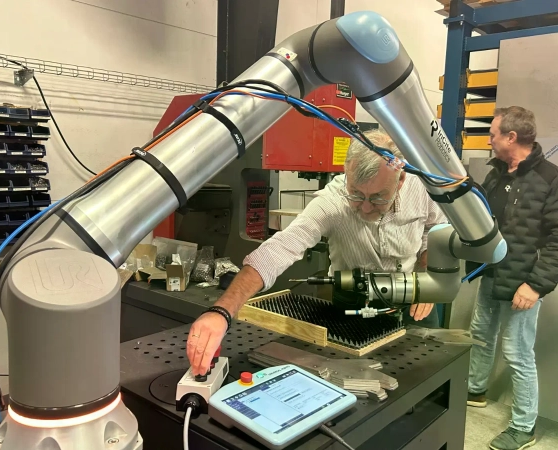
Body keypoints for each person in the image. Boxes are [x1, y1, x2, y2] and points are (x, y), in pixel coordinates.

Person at [187, 130, 447, 376]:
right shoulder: (332, 202)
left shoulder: (421, 188)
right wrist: (222, 311)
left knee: (426, 379)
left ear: (400, 180)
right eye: (357, 194)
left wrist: (428, 278)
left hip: (415, 301)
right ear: (347, 171)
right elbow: (281, 248)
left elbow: (435, 231)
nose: (366, 208)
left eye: (379, 197)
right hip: (351, 309)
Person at [466, 106, 558, 450]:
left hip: (523, 282)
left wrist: (535, 286)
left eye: (492, 134)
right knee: (480, 336)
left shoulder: (550, 178)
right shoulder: (497, 174)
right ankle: (474, 390)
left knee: (517, 353)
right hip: (491, 272)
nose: (489, 140)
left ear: (511, 137)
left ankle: (523, 428)